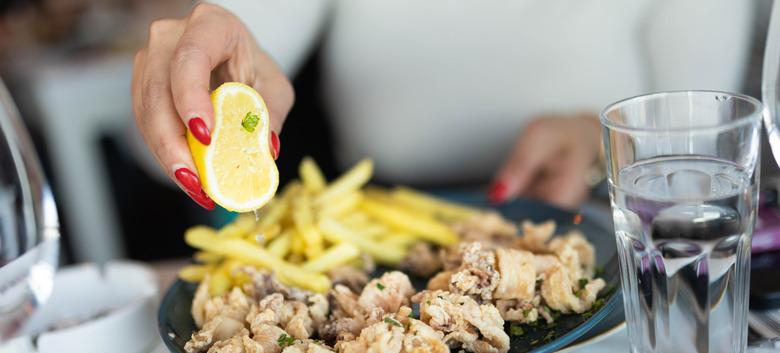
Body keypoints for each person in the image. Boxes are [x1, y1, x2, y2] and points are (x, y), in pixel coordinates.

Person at [131, 0, 755, 211]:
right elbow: (146, 141)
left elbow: (704, 144)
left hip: (597, 229)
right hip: (372, 255)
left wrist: (601, 143)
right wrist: (184, 76)